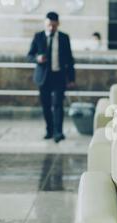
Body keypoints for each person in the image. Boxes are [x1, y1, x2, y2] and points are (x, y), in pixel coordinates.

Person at [28, 11, 76, 143]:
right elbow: (29, 55)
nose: (51, 28)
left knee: (58, 104)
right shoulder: (38, 37)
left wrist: (71, 79)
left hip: (59, 76)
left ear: (58, 24)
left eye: (54, 25)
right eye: (49, 25)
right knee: (46, 105)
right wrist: (37, 58)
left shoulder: (64, 38)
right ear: (45, 23)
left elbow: (70, 60)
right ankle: (49, 130)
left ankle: (58, 132)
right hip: (43, 77)